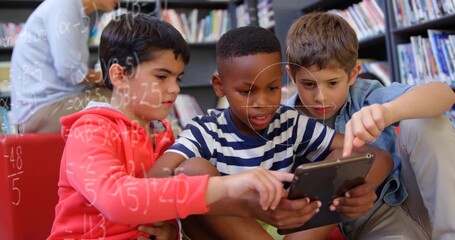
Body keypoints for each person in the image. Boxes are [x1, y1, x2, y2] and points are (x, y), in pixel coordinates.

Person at [47, 13, 295, 239]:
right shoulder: (90, 131)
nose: (175, 88)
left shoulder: (162, 134)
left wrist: (172, 231)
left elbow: (170, 203)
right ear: (120, 75)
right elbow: (117, 200)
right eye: (162, 77)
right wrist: (226, 185)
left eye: (178, 78)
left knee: (194, 171)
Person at [146, 26, 394, 240]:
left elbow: (377, 156)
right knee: (192, 171)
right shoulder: (206, 130)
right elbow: (153, 182)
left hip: (284, 231)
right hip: (227, 230)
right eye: (246, 92)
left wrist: (364, 188)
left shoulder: (289, 123)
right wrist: (248, 206)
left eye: (273, 88)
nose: (262, 102)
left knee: (343, 158)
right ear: (219, 86)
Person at [283, 12, 455, 240]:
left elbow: (444, 94)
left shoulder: (366, 94)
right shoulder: (283, 124)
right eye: (308, 84)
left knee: (424, 118)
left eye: (332, 83)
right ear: (292, 77)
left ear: (353, 74)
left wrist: (387, 112)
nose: (320, 97)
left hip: (417, 196)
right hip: (373, 223)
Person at [10, 0, 116, 133]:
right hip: (41, 109)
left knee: (119, 96)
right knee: (123, 105)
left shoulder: (76, 12)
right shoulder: (64, 6)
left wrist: (100, 80)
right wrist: (105, 77)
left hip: (56, 100)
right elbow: (70, 71)